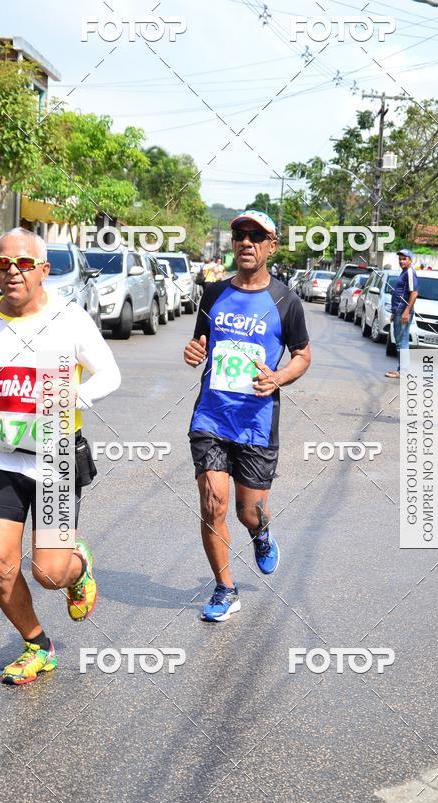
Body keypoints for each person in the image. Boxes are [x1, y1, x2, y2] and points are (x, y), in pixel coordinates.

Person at [0, 228, 121, 685]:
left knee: (49, 574)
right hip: (2, 458)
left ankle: (77, 567)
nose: (12, 271)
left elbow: (109, 374)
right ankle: (38, 645)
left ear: (43, 271)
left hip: (56, 458)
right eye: (2, 264)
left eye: (23, 264)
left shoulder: (70, 319)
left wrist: (73, 396)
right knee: (0, 565)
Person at [183, 210, 311, 622]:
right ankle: (225, 588)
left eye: (257, 236)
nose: (246, 242)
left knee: (247, 511)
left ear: (272, 246)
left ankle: (261, 532)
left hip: (257, 421)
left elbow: (303, 355)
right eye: (240, 234)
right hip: (211, 417)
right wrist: (193, 352)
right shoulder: (214, 294)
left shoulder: (286, 301)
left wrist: (279, 377)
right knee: (213, 504)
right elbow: (199, 343)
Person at [385, 249, 418, 379]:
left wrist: (406, 311)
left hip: (403, 311)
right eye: (400, 259)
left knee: (402, 342)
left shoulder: (410, 272)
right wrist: (394, 312)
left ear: (410, 260)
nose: (401, 261)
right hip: (398, 311)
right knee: (400, 341)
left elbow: (414, 293)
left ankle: (403, 371)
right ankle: (401, 369)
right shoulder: (404, 272)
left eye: (404, 259)